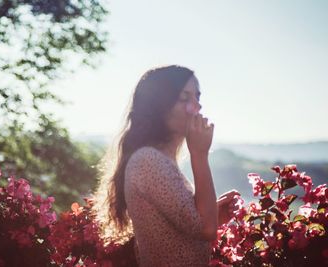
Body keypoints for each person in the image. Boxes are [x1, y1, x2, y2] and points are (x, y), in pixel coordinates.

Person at [90, 64, 239, 267]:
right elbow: (206, 229)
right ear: (159, 107)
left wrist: (212, 213)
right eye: (185, 98)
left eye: (197, 97)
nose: (197, 106)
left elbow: (189, 227)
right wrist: (200, 154)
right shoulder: (148, 161)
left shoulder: (160, 160)